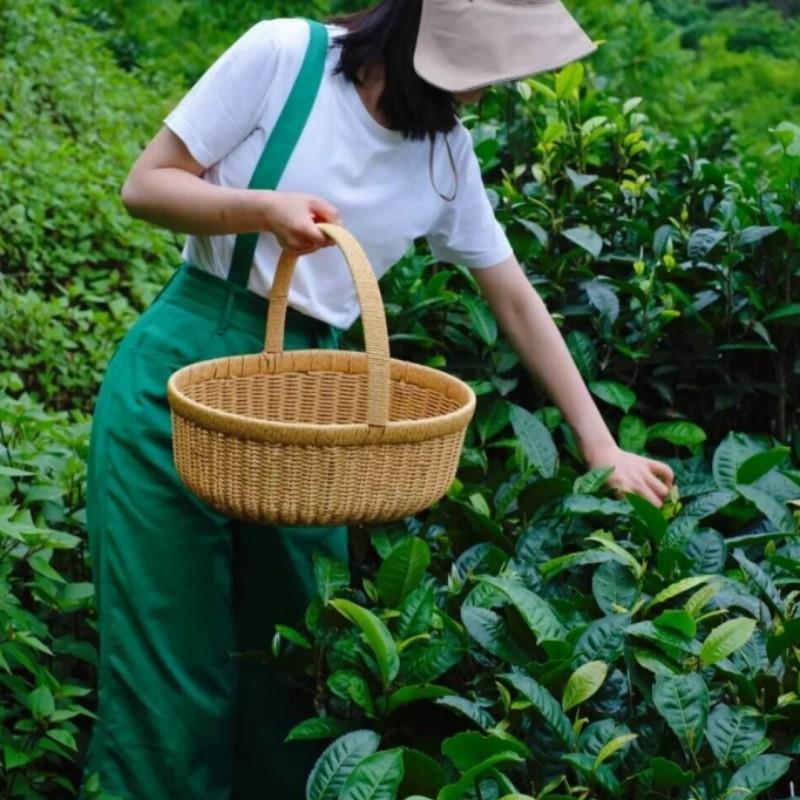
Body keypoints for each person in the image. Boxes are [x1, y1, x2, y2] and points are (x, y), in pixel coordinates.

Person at [80, 0, 676, 797]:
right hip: (182, 376)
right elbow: (145, 186)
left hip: (317, 415)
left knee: (286, 671)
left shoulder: (446, 155)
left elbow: (515, 300)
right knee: (166, 676)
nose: (481, 94)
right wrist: (262, 210)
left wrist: (600, 445)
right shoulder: (284, 58)